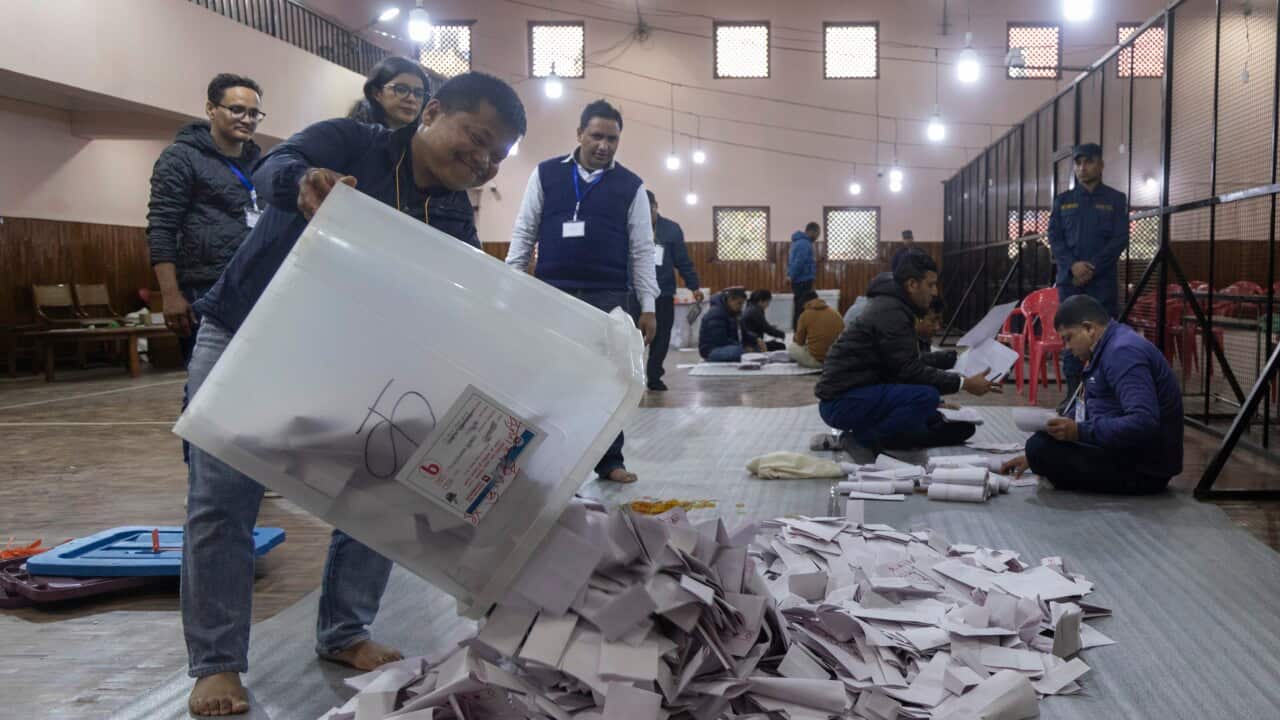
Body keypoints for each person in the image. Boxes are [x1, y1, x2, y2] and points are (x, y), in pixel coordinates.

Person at [182, 72, 526, 717]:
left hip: (343, 359)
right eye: (476, 139)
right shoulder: (350, 143)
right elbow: (275, 165)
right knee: (222, 500)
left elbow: (456, 302)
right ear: (430, 113)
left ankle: (345, 632)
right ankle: (217, 663)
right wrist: (301, 185)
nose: (481, 161)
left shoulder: (452, 212)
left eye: (495, 157)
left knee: (375, 491)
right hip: (245, 332)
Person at [506, 99, 658, 485]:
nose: (604, 145)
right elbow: (524, 231)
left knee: (607, 381)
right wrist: (510, 284)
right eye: (596, 136)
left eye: (612, 139)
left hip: (608, 296)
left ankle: (610, 461)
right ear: (579, 134)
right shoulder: (544, 175)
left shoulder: (631, 187)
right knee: (550, 379)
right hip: (552, 294)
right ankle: (547, 461)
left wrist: (648, 304)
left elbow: (642, 249)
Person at [814, 252, 1001, 461]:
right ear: (912, 284)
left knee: (946, 421)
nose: (934, 292)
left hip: (858, 393)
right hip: (841, 402)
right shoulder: (891, 312)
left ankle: (890, 437)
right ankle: (861, 440)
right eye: (930, 285)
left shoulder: (893, 305)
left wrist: (951, 364)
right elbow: (908, 370)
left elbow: (901, 361)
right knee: (926, 397)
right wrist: (963, 383)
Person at [1001, 295, 1183, 494]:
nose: (1067, 348)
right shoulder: (1105, 349)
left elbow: (1144, 421)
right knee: (1040, 445)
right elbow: (1093, 406)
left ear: (1089, 329)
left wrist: (1080, 432)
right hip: (1129, 453)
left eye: (1068, 338)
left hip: (1145, 469)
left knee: (1040, 448)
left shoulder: (1123, 352)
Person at [147, 73, 264, 364]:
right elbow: (161, 227)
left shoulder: (261, 165)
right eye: (237, 109)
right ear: (211, 109)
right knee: (206, 387)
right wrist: (170, 296)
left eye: (254, 113)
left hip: (257, 284)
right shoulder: (181, 157)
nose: (247, 119)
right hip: (205, 288)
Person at [1049, 142, 1129, 400]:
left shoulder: (1115, 199)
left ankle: (1101, 396)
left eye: (1089, 162)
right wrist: (1073, 265)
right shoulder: (1063, 201)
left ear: (1101, 165)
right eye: (1078, 163)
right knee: (1070, 337)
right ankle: (1073, 397)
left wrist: (1092, 267)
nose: (1083, 168)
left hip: (1102, 282)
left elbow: (1119, 239)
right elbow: (1055, 238)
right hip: (1070, 281)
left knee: (1105, 338)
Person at [629, 190, 703, 391]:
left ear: (655, 206)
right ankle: (631, 378)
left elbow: (682, 261)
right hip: (633, 292)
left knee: (661, 336)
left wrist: (694, 286)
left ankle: (654, 376)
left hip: (662, 293)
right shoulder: (628, 227)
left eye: (648, 209)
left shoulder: (671, 229)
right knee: (631, 336)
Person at [347, 56, 431, 130]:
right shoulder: (350, 135)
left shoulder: (418, 143)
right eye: (401, 89)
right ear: (376, 93)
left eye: (419, 94)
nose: (412, 99)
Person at [788, 289, 843, 369]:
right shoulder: (835, 313)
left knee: (792, 348)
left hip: (818, 362)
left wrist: (796, 337)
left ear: (805, 303)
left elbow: (799, 342)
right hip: (835, 360)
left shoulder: (805, 315)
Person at [699, 287, 750, 362]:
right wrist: (742, 347)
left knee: (754, 348)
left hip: (727, 347)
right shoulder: (716, 313)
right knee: (740, 352)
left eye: (742, 304)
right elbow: (720, 340)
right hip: (711, 350)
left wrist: (755, 339)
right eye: (739, 303)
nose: (740, 307)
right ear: (730, 300)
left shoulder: (733, 312)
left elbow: (743, 332)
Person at [787, 222, 819, 330]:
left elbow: (795, 262)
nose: (817, 237)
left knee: (800, 306)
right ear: (811, 231)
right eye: (817, 234)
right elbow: (799, 262)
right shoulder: (805, 244)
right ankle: (799, 332)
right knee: (803, 308)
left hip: (799, 280)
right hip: (803, 280)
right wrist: (791, 275)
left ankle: (799, 332)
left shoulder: (798, 242)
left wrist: (790, 275)